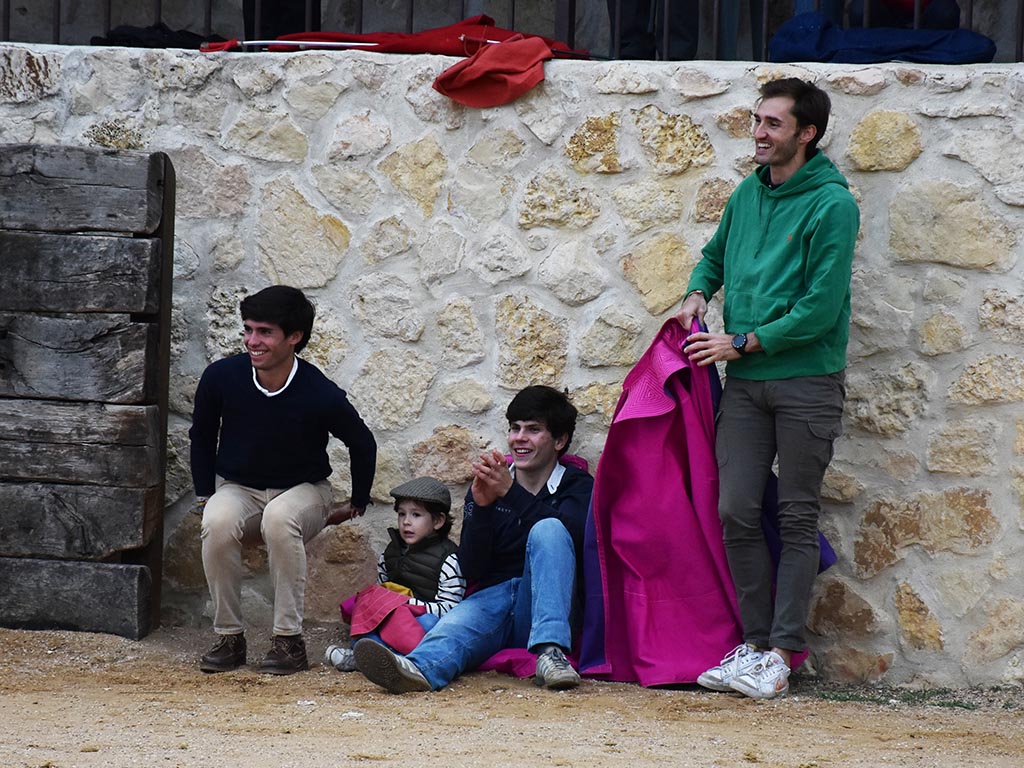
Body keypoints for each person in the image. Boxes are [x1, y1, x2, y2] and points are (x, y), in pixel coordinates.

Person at [675, 78, 858, 700]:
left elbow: (820, 308)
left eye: (773, 124)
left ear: (806, 133)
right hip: (748, 384)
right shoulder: (747, 194)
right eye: (757, 120)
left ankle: (783, 653)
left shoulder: (833, 203)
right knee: (735, 511)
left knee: (798, 515)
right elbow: (714, 257)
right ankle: (754, 646)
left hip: (806, 380)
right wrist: (699, 292)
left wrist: (740, 342)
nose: (758, 132)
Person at [352, 385, 594, 693]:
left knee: (549, 529)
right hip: (497, 602)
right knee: (456, 624)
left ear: (559, 441)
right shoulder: (492, 484)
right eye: (515, 428)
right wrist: (480, 509)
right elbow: (472, 569)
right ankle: (416, 669)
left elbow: (574, 538)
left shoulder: (576, 485)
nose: (520, 438)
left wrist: (512, 494)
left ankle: (551, 654)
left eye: (533, 430)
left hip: (548, 610)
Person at [191, 285, 376, 675]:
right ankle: (229, 638)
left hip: (303, 490)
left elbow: (362, 442)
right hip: (239, 488)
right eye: (248, 330)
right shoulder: (221, 378)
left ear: (294, 337)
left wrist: (357, 500)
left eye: (264, 332)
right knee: (217, 520)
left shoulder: (319, 391)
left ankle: (289, 642)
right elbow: (202, 435)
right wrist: (206, 493)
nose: (252, 341)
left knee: (279, 516)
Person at [325, 476, 465, 672]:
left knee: (430, 625)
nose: (406, 522)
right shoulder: (391, 551)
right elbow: (382, 586)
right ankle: (367, 656)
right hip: (391, 618)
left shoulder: (448, 559)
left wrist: (407, 605)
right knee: (366, 620)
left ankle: (398, 661)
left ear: (438, 521)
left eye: (416, 515)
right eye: (401, 514)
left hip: (420, 620)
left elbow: (452, 609)